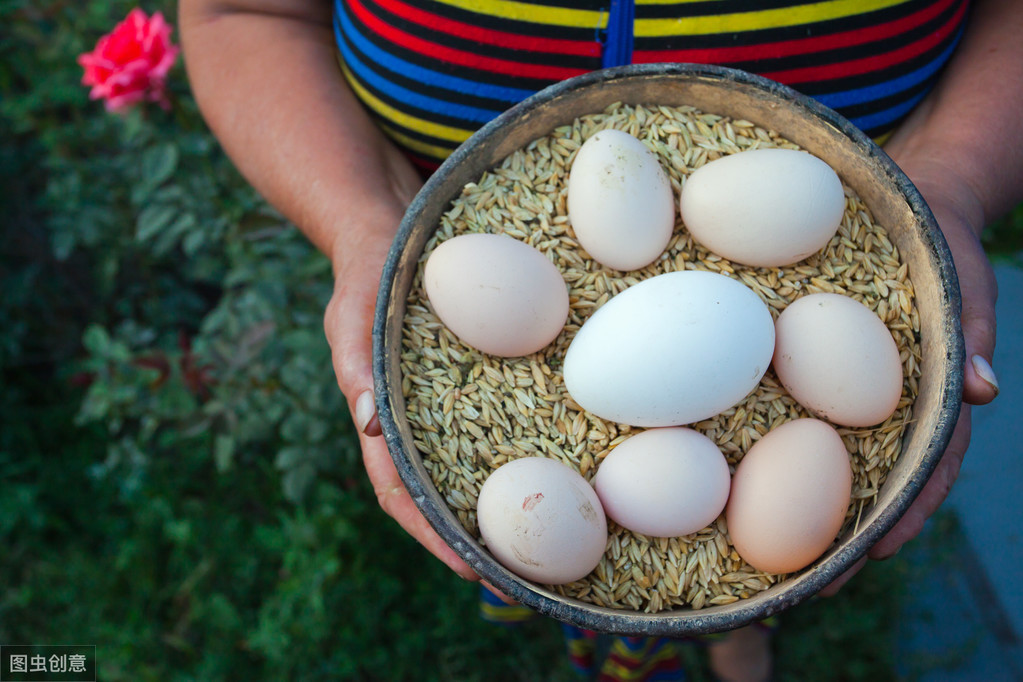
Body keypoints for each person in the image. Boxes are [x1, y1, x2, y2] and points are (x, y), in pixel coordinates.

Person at [178, 0, 1020, 678]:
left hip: (819, 192)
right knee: (547, 529)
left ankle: (731, 623)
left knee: (733, 544)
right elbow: (242, 13)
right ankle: (642, 613)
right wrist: (361, 221)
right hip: (483, 232)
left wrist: (949, 176)